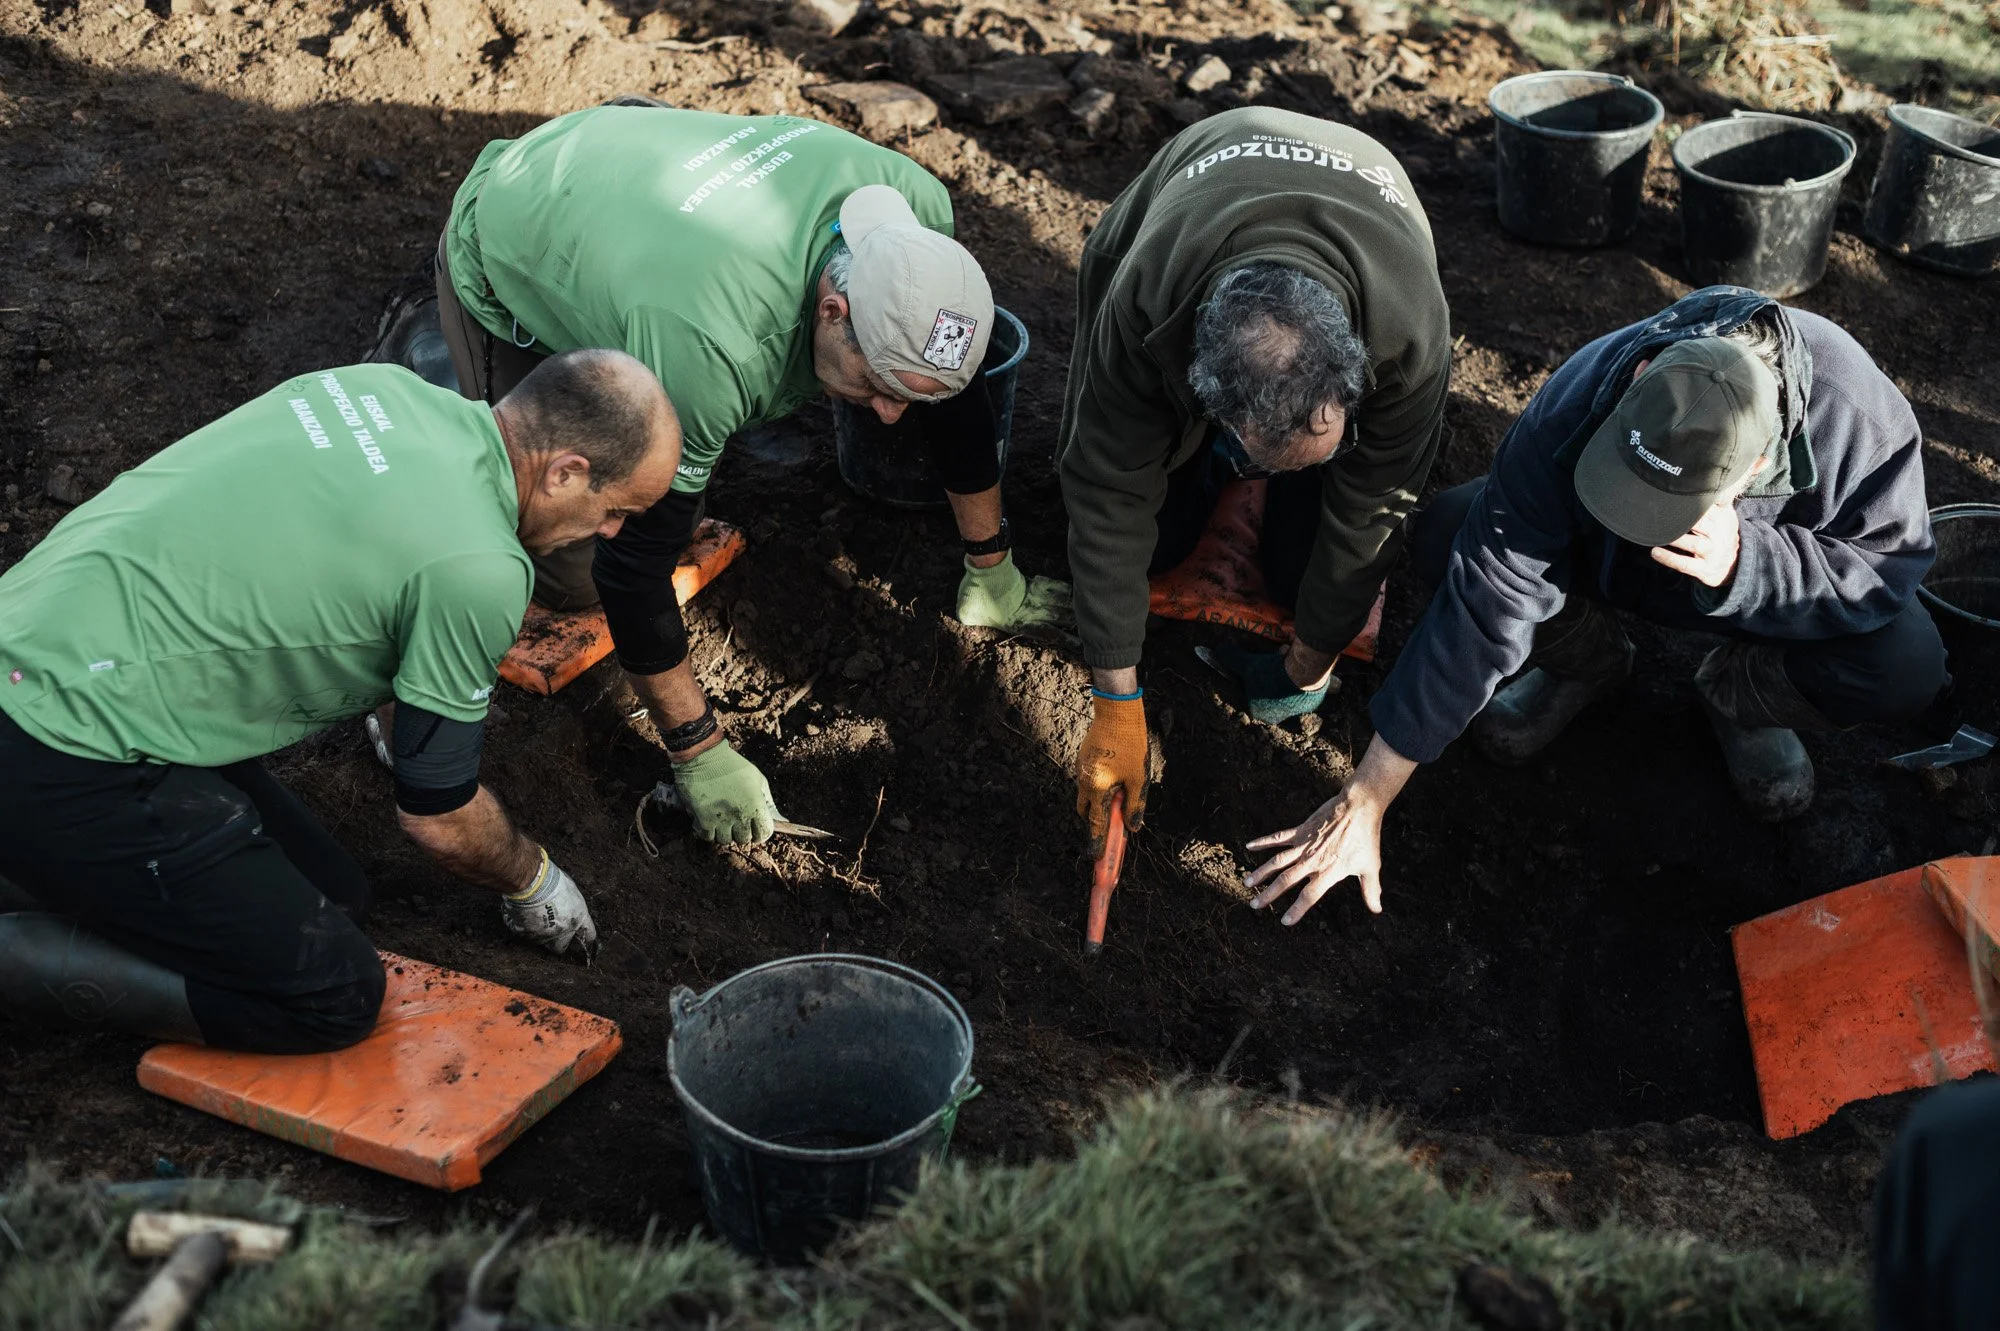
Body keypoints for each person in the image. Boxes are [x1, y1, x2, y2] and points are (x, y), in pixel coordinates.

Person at [421, 100, 1066, 846]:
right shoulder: (712, 343)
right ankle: (434, 358)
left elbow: (953, 392)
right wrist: (698, 750)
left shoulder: (917, 220)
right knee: (577, 574)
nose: (891, 416)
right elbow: (634, 569)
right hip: (517, 223)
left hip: (635, 176)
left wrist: (992, 567)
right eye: (880, 383)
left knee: (676, 477)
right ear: (832, 309)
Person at [0, 350, 682, 1053]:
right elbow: (440, 818)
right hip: (68, 738)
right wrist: (531, 878)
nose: (609, 532)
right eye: (616, 509)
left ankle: (55, 862)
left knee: (335, 899)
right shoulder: (479, 565)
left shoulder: (379, 391)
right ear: (567, 470)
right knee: (332, 994)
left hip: (42, 636)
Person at [1247, 289, 1946, 924]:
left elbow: (1889, 565)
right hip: (1608, 568)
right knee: (1450, 533)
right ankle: (1587, 663)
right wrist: (1369, 793)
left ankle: (1737, 696)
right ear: (1640, 381)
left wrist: (1752, 564)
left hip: (1753, 594)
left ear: (1757, 468)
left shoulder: (1856, 418)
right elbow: (1495, 582)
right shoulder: (1591, 386)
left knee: (1904, 660)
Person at [1058, 106, 1451, 852]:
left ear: (1353, 383)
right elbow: (1104, 484)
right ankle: (1217, 465)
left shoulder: (1410, 330)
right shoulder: (1146, 295)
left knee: (1304, 574)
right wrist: (1115, 698)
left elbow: (1376, 506)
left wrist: (1310, 660)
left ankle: (1291, 471)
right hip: (1200, 186)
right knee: (1149, 547)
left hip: (1367, 196)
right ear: (1208, 400)